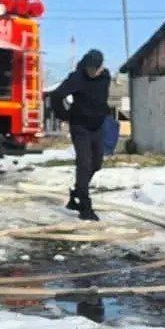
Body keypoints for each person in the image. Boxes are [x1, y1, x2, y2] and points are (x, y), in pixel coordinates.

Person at [50, 49, 112, 221]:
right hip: (80, 127)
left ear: (101, 67)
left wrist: (103, 113)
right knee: (84, 163)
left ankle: (77, 192)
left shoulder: (106, 77)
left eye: (96, 69)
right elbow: (56, 96)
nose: (93, 72)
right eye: (90, 69)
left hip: (97, 127)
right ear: (86, 66)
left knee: (96, 164)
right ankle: (85, 207)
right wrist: (65, 115)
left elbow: (100, 99)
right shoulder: (76, 78)